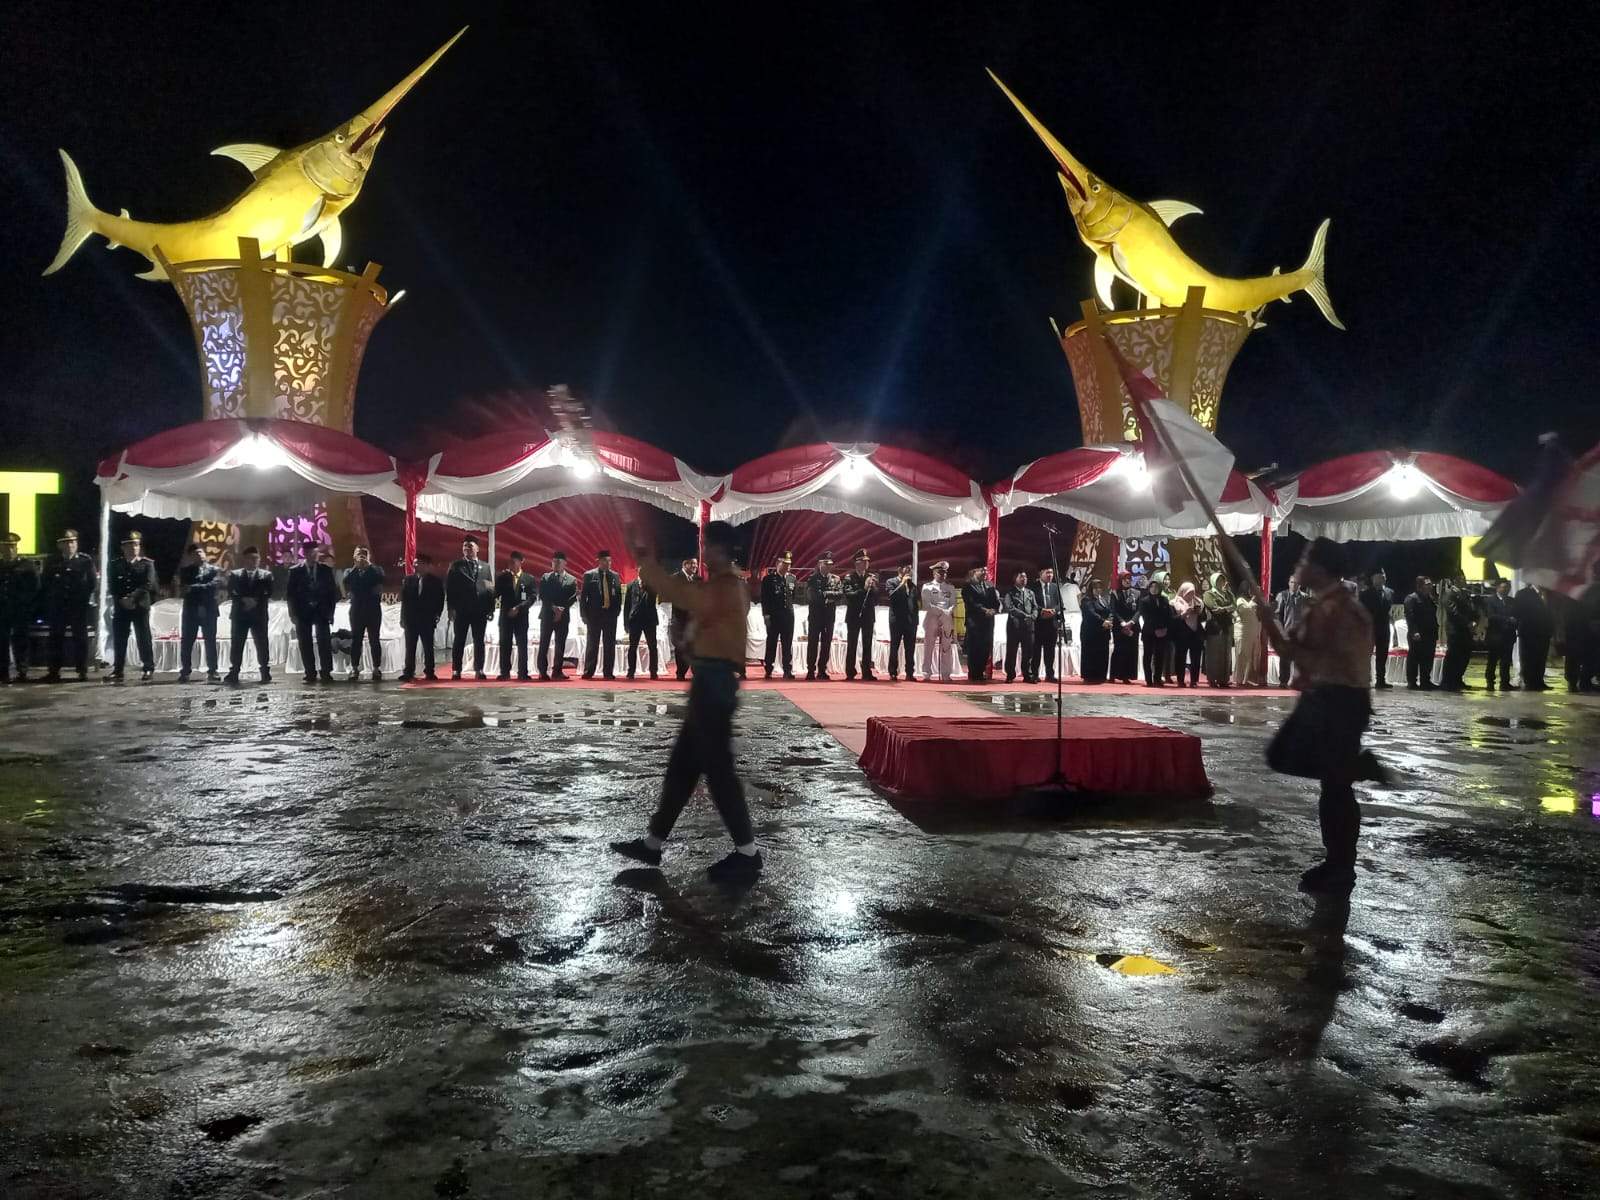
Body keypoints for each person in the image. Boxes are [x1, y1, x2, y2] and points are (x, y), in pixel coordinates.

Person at [611, 523, 762, 882]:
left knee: (719, 774)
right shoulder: (724, 587)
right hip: (709, 684)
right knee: (682, 769)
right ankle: (653, 843)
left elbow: (683, 596)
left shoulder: (727, 586)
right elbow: (706, 631)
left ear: (721, 549)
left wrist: (646, 563)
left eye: (708, 546)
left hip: (714, 688)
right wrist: (688, 643)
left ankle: (748, 853)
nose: (703, 553)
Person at [1258, 537, 1385, 897]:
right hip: (1334, 699)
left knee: (1332, 786)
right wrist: (1269, 621)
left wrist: (1274, 627)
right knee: (1318, 774)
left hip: (1338, 701)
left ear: (1321, 567)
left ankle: (1340, 866)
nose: (1299, 565)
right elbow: (1292, 649)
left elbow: (1307, 657)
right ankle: (1338, 861)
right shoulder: (1330, 605)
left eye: (1305, 559)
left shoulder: (1337, 609)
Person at [43, 529, 96, 683]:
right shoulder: (52, 561)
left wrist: (83, 599)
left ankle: (82, 670)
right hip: (58, 605)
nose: (70, 545)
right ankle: (54, 671)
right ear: (60, 545)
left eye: (73, 542)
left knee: (80, 638)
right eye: (67, 542)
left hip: (77, 606)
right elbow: (46, 582)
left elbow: (92, 583)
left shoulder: (85, 561)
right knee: (55, 638)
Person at [107, 532, 158, 683]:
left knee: (143, 638)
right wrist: (122, 598)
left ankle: (148, 668)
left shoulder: (147, 564)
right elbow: (112, 585)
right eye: (130, 545)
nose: (134, 548)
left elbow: (148, 584)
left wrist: (132, 598)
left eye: (136, 544)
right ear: (123, 547)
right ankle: (118, 670)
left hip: (140, 606)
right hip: (121, 606)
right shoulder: (116, 564)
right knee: (120, 638)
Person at [287, 546, 339, 684]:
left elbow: (332, 593)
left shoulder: (325, 570)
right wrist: (292, 613)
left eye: (316, 552)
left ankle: (326, 671)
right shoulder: (295, 571)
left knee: (324, 642)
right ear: (305, 553)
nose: (315, 555)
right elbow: (290, 595)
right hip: (303, 611)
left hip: (321, 611)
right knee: (305, 642)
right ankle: (310, 672)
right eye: (311, 552)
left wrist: (331, 612)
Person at [225, 546, 273, 686]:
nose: (253, 561)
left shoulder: (266, 575)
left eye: (256, 558)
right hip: (240, 614)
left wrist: (255, 600)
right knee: (237, 644)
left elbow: (269, 592)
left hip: (259, 614)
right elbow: (231, 591)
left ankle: (265, 671)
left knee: (262, 643)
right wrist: (243, 600)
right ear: (244, 560)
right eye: (251, 558)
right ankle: (234, 671)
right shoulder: (235, 574)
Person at [447, 536, 494, 680]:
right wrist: (451, 609)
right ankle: (456, 670)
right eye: (465, 546)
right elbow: (450, 588)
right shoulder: (456, 565)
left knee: (479, 640)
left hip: (480, 610)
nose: (467, 549)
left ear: (477, 548)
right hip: (462, 610)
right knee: (459, 640)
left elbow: (490, 588)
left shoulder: (485, 567)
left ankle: (479, 669)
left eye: (470, 546)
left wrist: (491, 608)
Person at [176, 542, 223, 683]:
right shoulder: (185, 571)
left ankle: (213, 670)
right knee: (187, 641)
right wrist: (202, 588)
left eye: (201, 552)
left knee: (210, 641)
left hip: (209, 610)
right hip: (191, 610)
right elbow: (184, 589)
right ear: (191, 556)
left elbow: (214, 586)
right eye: (196, 553)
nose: (200, 555)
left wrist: (195, 588)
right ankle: (185, 671)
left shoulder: (214, 570)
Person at [0, 532, 40, 684]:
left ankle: (22, 671)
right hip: (2, 608)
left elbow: (35, 587)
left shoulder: (26, 565)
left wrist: (27, 604)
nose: (9, 550)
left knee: (20, 640)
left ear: (16, 548)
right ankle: (3, 673)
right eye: (5, 546)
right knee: (2, 641)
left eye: (12, 547)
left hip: (19, 608)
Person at [398, 554, 445, 682]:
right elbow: (405, 601)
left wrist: (437, 615)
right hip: (411, 619)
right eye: (415, 563)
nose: (416, 565)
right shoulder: (408, 580)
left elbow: (440, 600)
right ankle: (409, 671)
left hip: (427, 618)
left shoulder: (435, 581)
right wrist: (402, 618)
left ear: (427, 565)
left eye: (418, 563)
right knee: (410, 646)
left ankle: (429, 671)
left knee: (428, 647)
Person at [343, 545, 385, 682]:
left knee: (374, 639)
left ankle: (376, 668)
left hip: (373, 610)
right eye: (358, 554)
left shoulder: (376, 569)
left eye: (364, 554)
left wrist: (368, 566)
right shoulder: (350, 571)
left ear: (369, 556)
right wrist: (356, 566)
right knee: (356, 639)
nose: (361, 557)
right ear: (354, 556)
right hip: (357, 610)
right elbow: (346, 582)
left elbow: (381, 579)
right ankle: (354, 668)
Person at [581, 549, 623, 680]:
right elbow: (583, 597)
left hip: (610, 615)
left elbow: (619, 596)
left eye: (610, 560)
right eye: (605, 560)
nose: (608, 563)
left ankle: (608, 671)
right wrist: (584, 615)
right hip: (594, 615)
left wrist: (616, 612)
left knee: (609, 644)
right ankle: (589, 671)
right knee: (592, 643)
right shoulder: (589, 575)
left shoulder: (615, 576)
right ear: (599, 561)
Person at [536, 551, 579, 681]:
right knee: (544, 643)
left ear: (565, 563)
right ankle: (543, 671)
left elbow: (572, 597)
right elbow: (542, 595)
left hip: (563, 616)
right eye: (554, 562)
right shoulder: (546, 577)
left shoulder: (571, 580)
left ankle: (557, 670)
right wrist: (554, 607)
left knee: (560, 645)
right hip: (547, 615)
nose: (556, 564)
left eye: (558, 562)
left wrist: (561, 609)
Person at [495, 551, 537, 681]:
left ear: (520, 562)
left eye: (514, 562)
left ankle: (523, 672)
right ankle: (504, 672)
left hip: (521, 616)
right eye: (510, 562)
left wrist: (519, 608)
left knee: (522, 645)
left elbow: (532, 597)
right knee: (505, 644)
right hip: (506, 616)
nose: (511, 564)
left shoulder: (528, 579)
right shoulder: (503, 577)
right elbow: (496, 594)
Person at [839, 550, 879, 682]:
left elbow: (877, 597)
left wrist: (873, 588)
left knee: (868, 644)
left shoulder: (871, 576)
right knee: (852, 644)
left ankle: (866, 671)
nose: (866, 563)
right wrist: (864, 588)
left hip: (868, 615)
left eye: (867, 561)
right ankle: (850, 671)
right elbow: (849, 596)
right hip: (854, 615)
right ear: (857, 563)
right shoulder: (849, 577)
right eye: (863, 561)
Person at [759, 552, 797, 679]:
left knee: (787, 643)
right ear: (778, 564)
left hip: (788, 616)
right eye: (785, 564)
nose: (787, 566)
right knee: (772, 642)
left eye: (789, 564)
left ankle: (787, 669)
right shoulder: (769, 579)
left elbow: (793, 596)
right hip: (774, 616)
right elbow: (765, 599)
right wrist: (766, 615)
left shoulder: (792, 578)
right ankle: (769, 668)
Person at [805, 552, 841, 681]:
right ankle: (810, 670)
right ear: (820, 564)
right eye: (826, 564)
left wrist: (826, 594)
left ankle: (822, 669)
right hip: (816, 616)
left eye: (830, 564)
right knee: (813, 644)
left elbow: (840, 594)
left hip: (829, 617)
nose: (828, 567)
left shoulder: (835, 579)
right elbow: (812, 597)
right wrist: (829, 596)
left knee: (826, 644)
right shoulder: (813, 579)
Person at [1439, 576, 1478, 692]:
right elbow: (1453, 612)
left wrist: (1474, 620)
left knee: (1464, 656)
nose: (1464, 581)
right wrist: (1467, 623)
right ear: (1455, 581)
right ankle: (1447, 681)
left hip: (1465, 630)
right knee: (1453, 656)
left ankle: (1458, 679)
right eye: (1461, 579)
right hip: (1455, 629)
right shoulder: (1449, 594)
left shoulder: (1465, 593)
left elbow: (1471, 609)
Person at [961, 566, 1000, 683]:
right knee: (974, 648)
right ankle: (973, 673)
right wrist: (984, 610)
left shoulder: (989, 585)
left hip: (988, 621)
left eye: (986, 571)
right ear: (974, 571)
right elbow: (971, 603)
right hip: (975, 622)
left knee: (985, 648)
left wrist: (994, 610)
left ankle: (981, 671)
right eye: (982, 570)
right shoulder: (968, 586)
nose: (985, 573)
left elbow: (996, 601)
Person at [1357, 569, 1395, 689]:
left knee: (1382, 655)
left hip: (1384, 628)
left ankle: (1381, 680)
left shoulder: (1390, 592)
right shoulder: (1365, 594)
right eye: (1378, 577)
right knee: (1366, 655)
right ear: (1373, 579)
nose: (1381, 579)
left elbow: (1389, 610)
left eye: (1383, 577)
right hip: (1369, 628)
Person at [920, 562, 957, 683]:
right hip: (932, 617)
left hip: (946, 618)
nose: (943, 575)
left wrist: (947, 612)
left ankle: (946, 674)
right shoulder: (927, 586)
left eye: (945, 573)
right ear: (934, 573)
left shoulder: (950, 587)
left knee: (946, 647)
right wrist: (942, 611)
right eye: (940, 572)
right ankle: (926, 673)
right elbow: (926, 605)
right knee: (929, 646)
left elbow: (953, 603)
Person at [1512, 582, 1552, 691]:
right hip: (1529, 632)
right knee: (1528, 658)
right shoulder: (1523, 594)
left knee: (1541, 658)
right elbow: (1517, 611)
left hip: (1544, 632)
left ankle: (1539, 681)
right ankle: (1529, 681)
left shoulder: (1547, 593)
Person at [624, 564, 660, 680]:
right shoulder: (631, 585)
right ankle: (631, 671)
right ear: (637, 571)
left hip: (649, 620)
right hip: (635, 620)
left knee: (652, 647)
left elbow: (654, 596)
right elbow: (627, 606)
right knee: (632, 647)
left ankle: (653, 671)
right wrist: (626, 623)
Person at [1030, 566, 1065, 684]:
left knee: (1050, 651)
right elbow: (1031, 603)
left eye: (1051, 573)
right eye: (1047, 573)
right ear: (1041, 573)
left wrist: (1053, 611)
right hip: (1038, 623)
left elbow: (1060, 604)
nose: (1050, 575)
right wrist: (1042, 611)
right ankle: (1034, 674)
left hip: (1052, 624)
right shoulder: (1033, 587)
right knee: (1036, 650)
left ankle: (1050, 674)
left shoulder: (1055, 587)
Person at [1482, 578, 1518, 691]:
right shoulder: (1490, 601)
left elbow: (1517, 615)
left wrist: (1515, 622)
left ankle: (1504, 682)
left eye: (1507, 587)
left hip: (1508, 635)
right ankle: (1490, 681)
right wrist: (1508, 619)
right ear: (1498, 588)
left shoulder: (1512, 601)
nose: (1506, 589)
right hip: (1495, 635)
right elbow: (1491, 616)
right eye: (1503, 587)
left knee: (1506, 661)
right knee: (1492, 660)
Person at [1003, 569, 1038, 683]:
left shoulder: (1030, 593)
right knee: (1012, 651)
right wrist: (1025, 615)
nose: (1024, 579)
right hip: (1015, 626)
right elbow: (1010, 608)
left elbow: (1035, 607)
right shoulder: (1010, 593)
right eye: (1021, 577)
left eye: (1025, 577)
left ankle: (1027, 674)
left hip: (1029, 626)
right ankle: (1010, 674)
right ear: (1015, 579)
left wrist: (1033, 616)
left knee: (1028, 651)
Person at [1403, 577, 1439, 690]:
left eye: (1430, 584)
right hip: (1418, 633)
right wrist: (1414, 631)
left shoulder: (1430, 599)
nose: (1430, 586)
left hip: (1430, 634)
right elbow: (1410, 616)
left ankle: (1425, 681)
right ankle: (1412, 682)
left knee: (1428, 658)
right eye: (1427, 584)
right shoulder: (1412, 598)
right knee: (1414, 658)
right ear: (1420, 586)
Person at [1274, 579, 1311, 686]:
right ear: (1288, 583)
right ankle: (1283, 681)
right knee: (1285, 658)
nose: (1293, 584)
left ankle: (1298, 681)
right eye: (1291, 582)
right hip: (1287, 631)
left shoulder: (1305, 597)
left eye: (1296, 582)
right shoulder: (1283, 595)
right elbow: (1277, 615)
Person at [885, 564, 919, 681]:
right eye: (907, 568)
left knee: (910, 648)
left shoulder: (913, 585)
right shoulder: (891, 582)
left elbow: (915, 604)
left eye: (910, 569)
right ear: (900, 569)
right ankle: (893, 672)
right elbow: (891, 596)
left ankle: (910, 672)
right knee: (895, 646)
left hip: (910, 621)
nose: (909, 571)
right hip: (897, 620)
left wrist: (915, 620)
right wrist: (902, 584)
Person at [1201, 572, 1236, 687]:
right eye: (1218, 580)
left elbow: (1234, 605)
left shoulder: (1227, 594)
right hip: (1215, 628)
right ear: (1213, 582)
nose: (1221, 583)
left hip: (1227, 627)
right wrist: (1228, 609)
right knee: (1213, 654)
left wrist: (1228, 592)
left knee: (1226, 654)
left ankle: (1224, 679)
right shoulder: (1208, 594)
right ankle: (1212, 679)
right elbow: (1215, 609)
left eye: (1222, 580)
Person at [668, 557, 700, 680]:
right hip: (680, 619)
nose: (695, 566)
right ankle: (680, 672)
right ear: (685, 564)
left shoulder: (698, 580)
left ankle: (696, 671)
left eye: (696, 564)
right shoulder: (675, 578)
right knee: (681, 647)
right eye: (692, 564)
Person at [1137, 573, 1172, 687]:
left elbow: (1168, 615)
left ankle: (1157, 678)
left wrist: (1165, 628)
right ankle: (1149, 680)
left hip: (1162, 632)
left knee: (1160, 656)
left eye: (1156, 587)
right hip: (1149, 632)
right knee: (1148, 655)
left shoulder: (1164, 600)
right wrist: (1156, 629)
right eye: (1152, 587)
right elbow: (1146, 617)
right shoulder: (1144, 600)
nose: (1154, 589)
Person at [1079, 578, 1113, 684]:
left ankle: (1101, 675)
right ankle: (1089, 676)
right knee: (1090, 654)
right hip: (1091, 632)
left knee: (1102, 654)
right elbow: (1091, 614)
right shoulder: (1086, 600)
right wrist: (1103, 621)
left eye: (1100, 588)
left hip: (1103, 632)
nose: (1098, 590)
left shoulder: (1103, 599)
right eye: (1095, 588)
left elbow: (1110, 611)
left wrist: (1110, 620)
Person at [1170, 580, 1204, 687]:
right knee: (1180, 657)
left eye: (1193, 592)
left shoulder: (1198, 602)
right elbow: (1172, 619)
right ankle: (1180, 680)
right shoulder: (1174, 603)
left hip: (1195, 633)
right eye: (1189, 593)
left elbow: (1204, 618)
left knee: (1196, 657)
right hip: (1181, 633)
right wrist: (1184, 614)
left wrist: (1198, 613)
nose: (1191, 595)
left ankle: (1194, 681)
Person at [1234, 587, 1268, 688]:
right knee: (1241, 656)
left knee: (1252, 657)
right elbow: (1244, 612)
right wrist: (1252, 602)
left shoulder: (1260, 604)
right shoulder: (1241, 600)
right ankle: (1239, 680)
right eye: (1252, 591)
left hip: (1255, 633)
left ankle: (1247, 680)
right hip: (1243, 632)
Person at [1110, 574, 1140, 684]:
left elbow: (1139, 610)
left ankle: (1127, 676)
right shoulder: (1115, 593)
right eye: (1125, 579)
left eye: (1129, 579)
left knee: (1131, 651)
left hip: (1133, 626)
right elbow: (1113, 610)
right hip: (1119, 626)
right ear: (1121, 581)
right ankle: (1113, 675)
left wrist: (1132, 622)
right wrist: (1122, 622)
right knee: (1119, 650)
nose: (1127, 581)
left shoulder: (1137, 593)